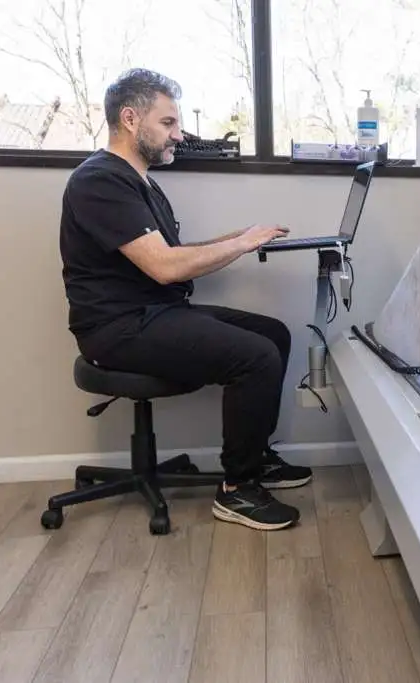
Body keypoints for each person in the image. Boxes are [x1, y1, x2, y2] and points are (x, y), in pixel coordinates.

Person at [59, 68, 311, 532]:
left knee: (272, 334)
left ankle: (256, 457)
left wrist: (240, 237)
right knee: (255, 357)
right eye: (169, 123)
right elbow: (165, 268)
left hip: (154, 314)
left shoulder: (141, 183)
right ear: (131, 119)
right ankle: (238, 490)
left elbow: (171, 255)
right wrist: (239, 245)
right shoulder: (99, 181)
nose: (180, 133)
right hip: (117, 329)